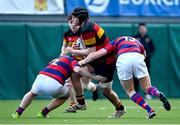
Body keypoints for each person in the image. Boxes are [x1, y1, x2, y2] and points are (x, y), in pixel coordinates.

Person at [79, 36, 171, 118]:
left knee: (130, 91)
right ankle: (158, 93)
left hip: (123, 58)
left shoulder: (114, 42)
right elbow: (144, 55)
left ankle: (150, 110)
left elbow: (97, 54)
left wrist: (83, 62)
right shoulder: (137, 41)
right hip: (137, 57)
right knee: (147, 87)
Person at [65, 7, 126, 118]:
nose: (72, 21)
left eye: (73, 18)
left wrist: (73, 51)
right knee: (74, 72)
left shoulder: (87, 28)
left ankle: (120, 108)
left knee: (106, 91)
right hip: (96, 59)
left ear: (80, 17)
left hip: (105, 61)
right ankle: (81, 102)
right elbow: (90, 50)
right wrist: (78, 50)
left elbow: (91, 51)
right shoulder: (85, 26)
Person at [11, 55, 107, 118]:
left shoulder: (62, 57)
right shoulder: (74, 61)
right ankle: (43, 113)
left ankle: (18, 112)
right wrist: (95, 77)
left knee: (32, 93)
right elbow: (78, 71)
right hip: (53, 83)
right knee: (66, 95)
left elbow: (52, 64)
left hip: (41, 77)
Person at [61, 17, 99, 113]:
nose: (73, 24)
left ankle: (94, 88)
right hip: (74, 61)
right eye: (70, 22)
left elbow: (91, 50)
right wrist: (63, 53)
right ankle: (73, 104)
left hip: (86, 61)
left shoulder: (85, 32)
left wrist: (76, 50)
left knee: (85, 87)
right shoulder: (67, 34)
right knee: (70, 82)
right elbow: (64, 46)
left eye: (74, 22)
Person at [134, 23, 155, 99]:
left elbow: (153, 49)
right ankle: (136, 94)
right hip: (137, 61)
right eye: (141, 29)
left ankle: (147, 94)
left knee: (146, 77)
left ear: (146, 29)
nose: (142, 30)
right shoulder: (135, 38)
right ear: (139, 29)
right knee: (136, 77)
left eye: (144, 29)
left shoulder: (149, 39)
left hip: (146, 62)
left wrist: (147, 56)